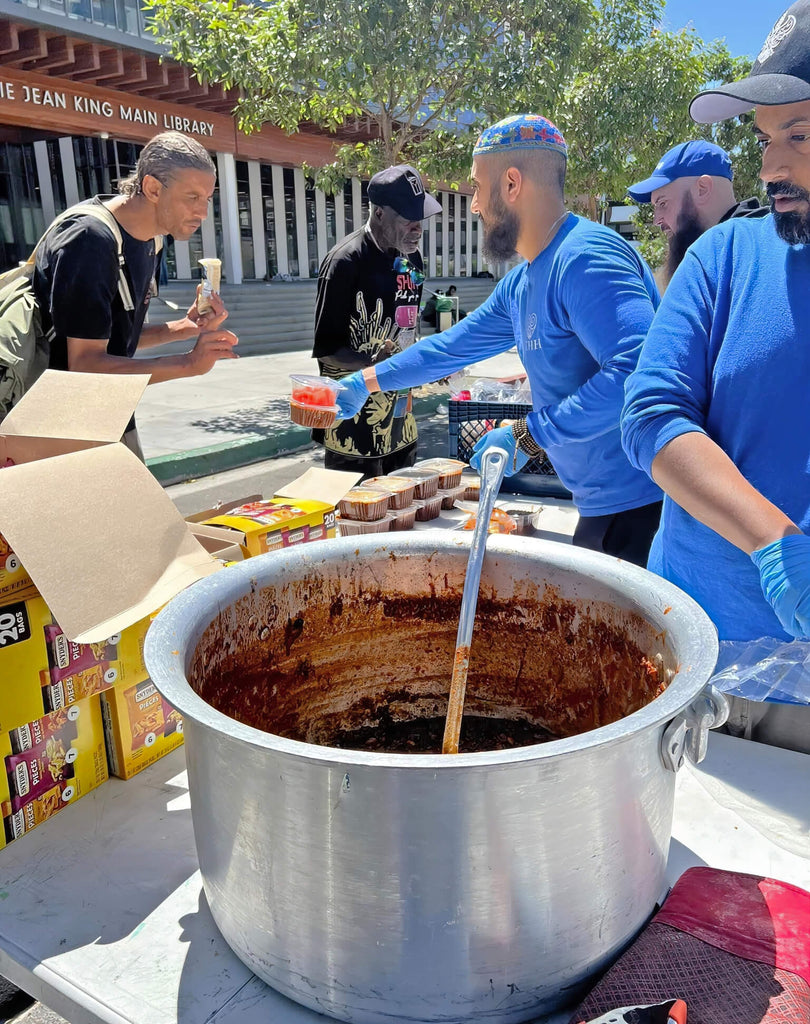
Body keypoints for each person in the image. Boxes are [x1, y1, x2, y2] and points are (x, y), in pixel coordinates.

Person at [334, 114, 663, 566]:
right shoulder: (525, 280)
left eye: (475, 187)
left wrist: (530, 435)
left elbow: (638, 373)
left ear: (511, 183)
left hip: (643, 508)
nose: (472, 206)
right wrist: (365, 381)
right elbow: (449, 348)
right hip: (601, 505)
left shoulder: (585, 258)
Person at [621, 0, 810, 640]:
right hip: (711, 649)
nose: (771, 168)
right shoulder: (726, 256)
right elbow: (651, 413)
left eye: (799, 136)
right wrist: (776, 545)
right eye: (764, 139)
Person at [32, 131, 237, 458]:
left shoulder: (151, 241)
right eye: (191, 197)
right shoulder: (89, 241)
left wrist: (185, 327)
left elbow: (115, 339)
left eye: (207, 199)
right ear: (153, 188)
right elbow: (84, 365)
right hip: (56, 428)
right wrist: (187, 363)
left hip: (110, 411)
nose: (202, 212)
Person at [311, 164, 442, 477]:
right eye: (409, 218)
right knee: (359, 519)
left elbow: (409, 323)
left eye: (420, 218)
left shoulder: (412, 259)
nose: (418, 228)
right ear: (380, 213)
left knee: (405, 512)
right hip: (354, 426)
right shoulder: (345, 262)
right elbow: (327, 348)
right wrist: (370, 362)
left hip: (401, 422)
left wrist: (427, 359)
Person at [627, 141, 768, 286]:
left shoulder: (761, 252)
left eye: (663, 203)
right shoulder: (716, 256)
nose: (656, 220)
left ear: (702, 189)